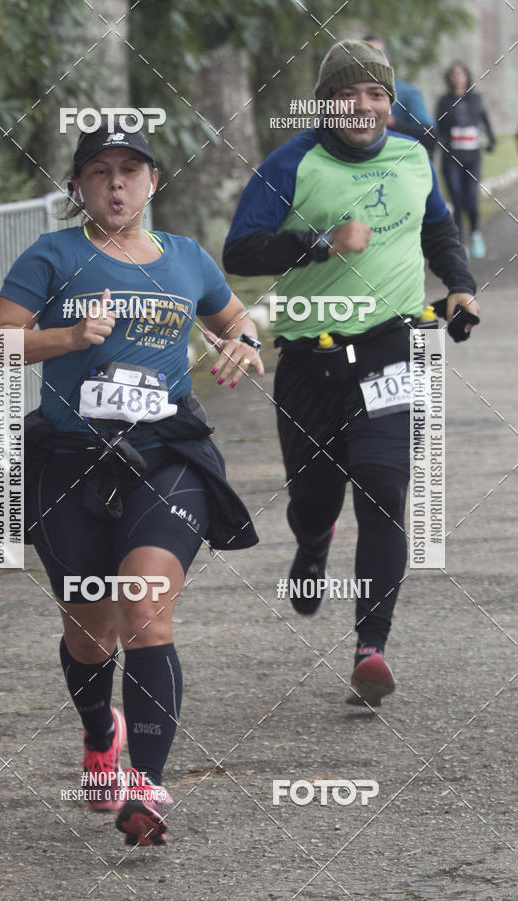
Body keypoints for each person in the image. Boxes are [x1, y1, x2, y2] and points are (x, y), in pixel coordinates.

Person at [0, 125, 262, 846]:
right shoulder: (54, 255)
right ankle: (100, 726)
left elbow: (236, 319)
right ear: (77, 187)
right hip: (71, 459)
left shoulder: (188, 259)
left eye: (129, 171)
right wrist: (67, 337)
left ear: (152, 182)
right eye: (99, 172)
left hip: (166, 455)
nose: (115, 184)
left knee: (145, 608)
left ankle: (148, 784)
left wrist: (243, 342)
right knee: (89, 633)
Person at [223, 39, 480, 708]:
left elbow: (437, 228)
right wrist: (319, 241)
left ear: (390, 104)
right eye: (346, 93)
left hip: (393, 342)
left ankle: (371, 647)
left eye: (375, 94)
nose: (362, 106)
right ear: (324, 101)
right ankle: (312, 545)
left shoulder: (412, 156)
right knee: (313, 498)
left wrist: (458, 284)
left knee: (383, 489)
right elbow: (241, 248)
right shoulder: (293, 161)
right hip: (310, 358)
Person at [436, 62, 496, 258]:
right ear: (449, 77)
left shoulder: (476, 99)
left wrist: (492, 140)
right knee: (457, 198)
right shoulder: (444, 101)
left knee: (471, 197)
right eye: (453, 74)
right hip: (451, 157)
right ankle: (460, 241)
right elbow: (438, 127)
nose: (457, 77)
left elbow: (485, 121)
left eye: (461, 73)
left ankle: (475, 234)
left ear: (467, 76)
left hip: (472, 157)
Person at [364, 35, 437, 155]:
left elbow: (430, 137)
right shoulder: (344, 95)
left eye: (378, 55)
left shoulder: (406, 93)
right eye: (366, 55)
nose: (372, 61)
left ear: (389, 61)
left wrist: (392, 123)